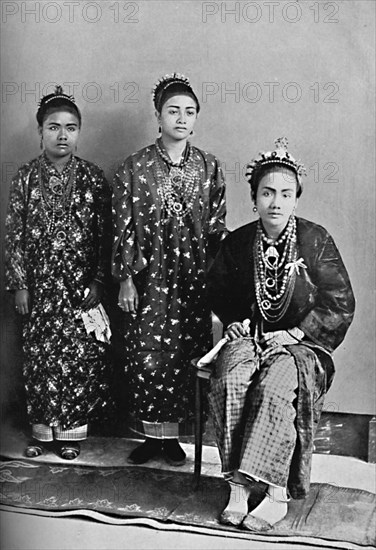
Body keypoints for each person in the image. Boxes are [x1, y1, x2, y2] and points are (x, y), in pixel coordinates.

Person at [206, 138, 355, 531]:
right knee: (229, 381)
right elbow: (219, 291)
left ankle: (275, 492)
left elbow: (340, 302)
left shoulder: (316, 240)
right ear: (254, 198)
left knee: (274, 389)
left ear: (296, 199)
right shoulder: (238, 242)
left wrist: (295, 332)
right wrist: (236, 321)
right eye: (267, 192)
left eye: (285, 194)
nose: (276, 202)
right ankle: (238, 487)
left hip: (301, 346)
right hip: (251, 338)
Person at [112, 73, 227, 466]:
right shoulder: (134, 167)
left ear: (196, 118)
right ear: (158, 116)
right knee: (147, 356)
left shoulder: (209, 167)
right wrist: (125, 278)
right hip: (148, 277)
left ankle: (175, 438)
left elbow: (216, 229)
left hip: (193, 276)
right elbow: (122, 225)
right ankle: (151, 437)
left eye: (189, 112)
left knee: (184, 354)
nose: (181, 118)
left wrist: (217, 282)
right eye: (173, 110)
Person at [5, 85, 113, 460]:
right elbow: (14, 233)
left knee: (77, 357)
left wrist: (99, 281)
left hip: (78, 288)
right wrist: (20, 285)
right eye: (53, 127)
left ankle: (70, 434)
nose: (62, 135)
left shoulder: (93, 179)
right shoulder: (24, 178)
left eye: (70, 127)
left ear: (79, 132)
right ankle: (42, 434)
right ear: (40, 131)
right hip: (38, 288)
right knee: (39, 358)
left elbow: (105, 236)